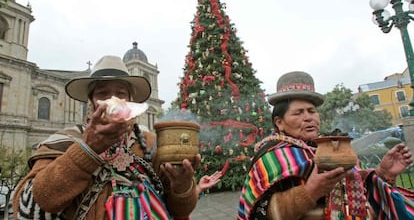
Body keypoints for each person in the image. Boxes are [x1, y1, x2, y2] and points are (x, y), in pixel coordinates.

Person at [13, 55, 201, 220]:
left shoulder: (150, 143)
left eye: (120, 94)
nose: (113, 99)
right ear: (92, 102)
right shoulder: (65, 141)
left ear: (129, 101)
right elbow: (35, 204)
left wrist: (182, 186)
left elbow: (179, 209)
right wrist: (88, 150)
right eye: (103, 93)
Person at [237, 71, 414, 219]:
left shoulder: (331, 147)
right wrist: (310, 191)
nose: (308, 117)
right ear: (279, 122)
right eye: (298, 112)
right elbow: (260, 213)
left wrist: (383, 173)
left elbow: (358, 187)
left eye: (312, 111)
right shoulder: (272, 157)